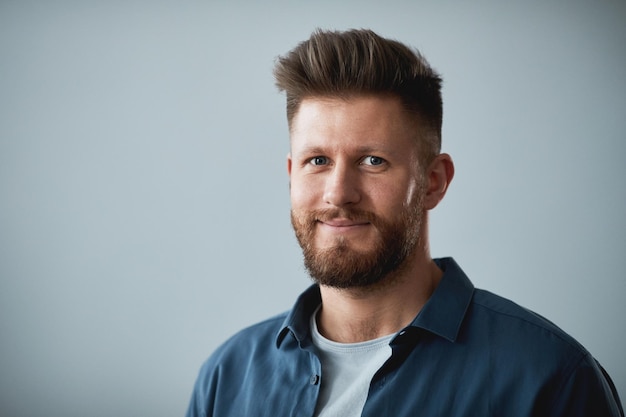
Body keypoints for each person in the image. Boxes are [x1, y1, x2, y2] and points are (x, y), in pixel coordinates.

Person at [186, 28, 623, 416]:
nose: (338, 193)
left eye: (373, 161)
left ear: (433, 181)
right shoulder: (228, 377)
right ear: (291, 175)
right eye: (316, 160)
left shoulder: (550, 379)